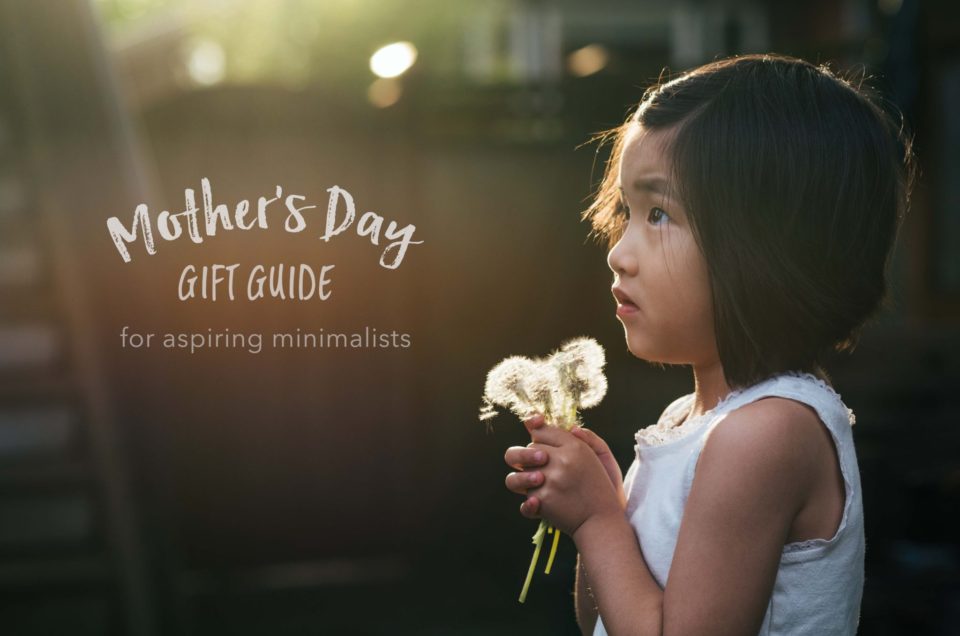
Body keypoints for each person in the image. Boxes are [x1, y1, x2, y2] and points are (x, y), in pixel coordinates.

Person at [503, 53, 914, 636]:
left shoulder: (766, 434)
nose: (619, 253)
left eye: (660, 214)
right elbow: (608, 621)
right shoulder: (691, 421)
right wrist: (606, 506)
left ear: (769, 245)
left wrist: (597, 520)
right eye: (626, 212)